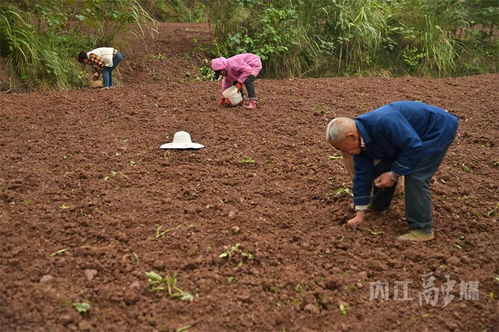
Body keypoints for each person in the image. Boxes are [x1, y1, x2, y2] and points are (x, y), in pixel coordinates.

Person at [326, 101, 458, 242]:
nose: (342, 152)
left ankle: (422, 229)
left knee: (416, 176)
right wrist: (360, 213)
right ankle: (379, 205)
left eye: (341, 148)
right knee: (382, 167)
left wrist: (394, 174)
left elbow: (413, 148)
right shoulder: (361, 140)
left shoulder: (383, 122)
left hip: (435, 129)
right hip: (409, 138)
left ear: (352, 136)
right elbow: (362, 175)